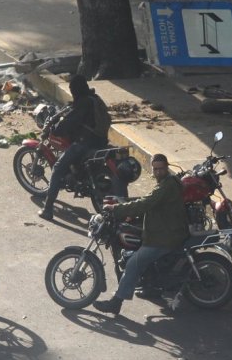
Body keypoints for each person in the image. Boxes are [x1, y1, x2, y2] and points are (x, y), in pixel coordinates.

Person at [93, 154, 189, 315]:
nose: (158, 172)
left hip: (164, 237)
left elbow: (147, 202)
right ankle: (151, 288)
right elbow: (151, 202)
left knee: (133, 264)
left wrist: (116, 209)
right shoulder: (166, 183)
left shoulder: (166, 186)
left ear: (167, 168)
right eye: (155, 169)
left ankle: (116, 302)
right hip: (166, 231)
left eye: (161, 169)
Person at [38, 75, 107, 220]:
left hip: (85, 143)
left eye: (72, 89)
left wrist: (55, 130)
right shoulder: (94, 99)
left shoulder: (83, 104)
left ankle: (47, 210)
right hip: (101, 142)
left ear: (76, 89)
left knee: (57, 168)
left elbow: (69, 122)